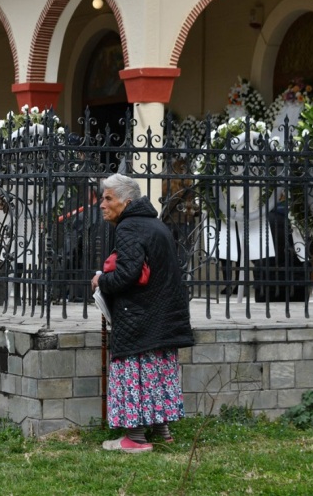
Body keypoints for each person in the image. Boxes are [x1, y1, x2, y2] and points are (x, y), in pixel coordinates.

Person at [91, 173, 194, 453]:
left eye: (108, 198)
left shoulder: (129, 228)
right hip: (162, 316)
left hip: (139, 316)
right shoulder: (154, 224)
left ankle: (135, 439)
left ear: (126, 201)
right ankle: (162, 430)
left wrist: (102, 281)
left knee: (133, 373)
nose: (102, 204)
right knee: (156, 372)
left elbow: (128, 274)